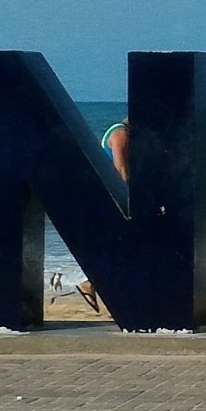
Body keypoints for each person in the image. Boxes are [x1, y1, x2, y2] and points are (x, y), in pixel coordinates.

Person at [77, 119, 129, 313]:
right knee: (120, 244)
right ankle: (90, 283)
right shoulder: (120, 133)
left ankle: (93, 283)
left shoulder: (122, 132)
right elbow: (120, 169)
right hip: (110, 197)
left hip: (106, 196)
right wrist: (128, 200)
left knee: (117, 245)